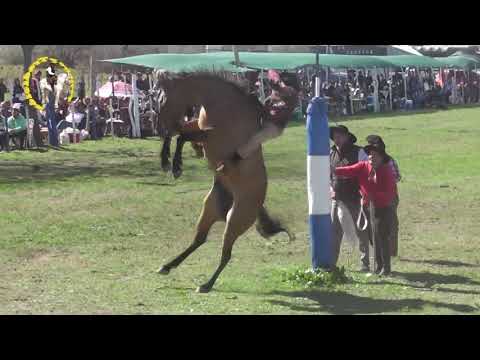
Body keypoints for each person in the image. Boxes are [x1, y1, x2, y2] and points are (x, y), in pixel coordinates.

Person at [334, 140, 397, 276]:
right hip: (368, 208)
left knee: (382, 237)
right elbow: (348, 170)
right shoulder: (363, 166)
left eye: (375, 155)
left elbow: (389, 193)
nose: (371, 158)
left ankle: (386, 268)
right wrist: (333, 170)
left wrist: (373, 197)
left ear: (381, 158)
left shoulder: (386, 171)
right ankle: (379, 265)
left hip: (382, 209)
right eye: (369, 155)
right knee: (372, 237)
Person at [216, 69, 299, 172]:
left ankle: (233, 160)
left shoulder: (293, 95)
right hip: (264, 118)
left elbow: (286, 90)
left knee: (256, 139)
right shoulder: (272, 97)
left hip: (275, 127)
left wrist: (276, 83)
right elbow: (263, 107)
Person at [330, 125, 371, 271]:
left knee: (361, 232)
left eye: (340, 135)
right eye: (335, 136)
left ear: (347, 136)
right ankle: (331, 264)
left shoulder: (359, 152)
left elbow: (368, 173)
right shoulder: (331, 153)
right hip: (337, 199)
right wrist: (331, 190)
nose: (337, 138)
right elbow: (330, 176)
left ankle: (365, 263)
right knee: (334, 232)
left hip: (355, 198)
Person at [366, 135, 401, 257]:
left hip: (389, 197)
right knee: (373, 225)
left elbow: (397, 176)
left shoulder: (389, 160)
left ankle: (391, 252)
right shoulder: (367, 162)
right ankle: (377, 252)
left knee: (391, 224)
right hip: (373, 197)